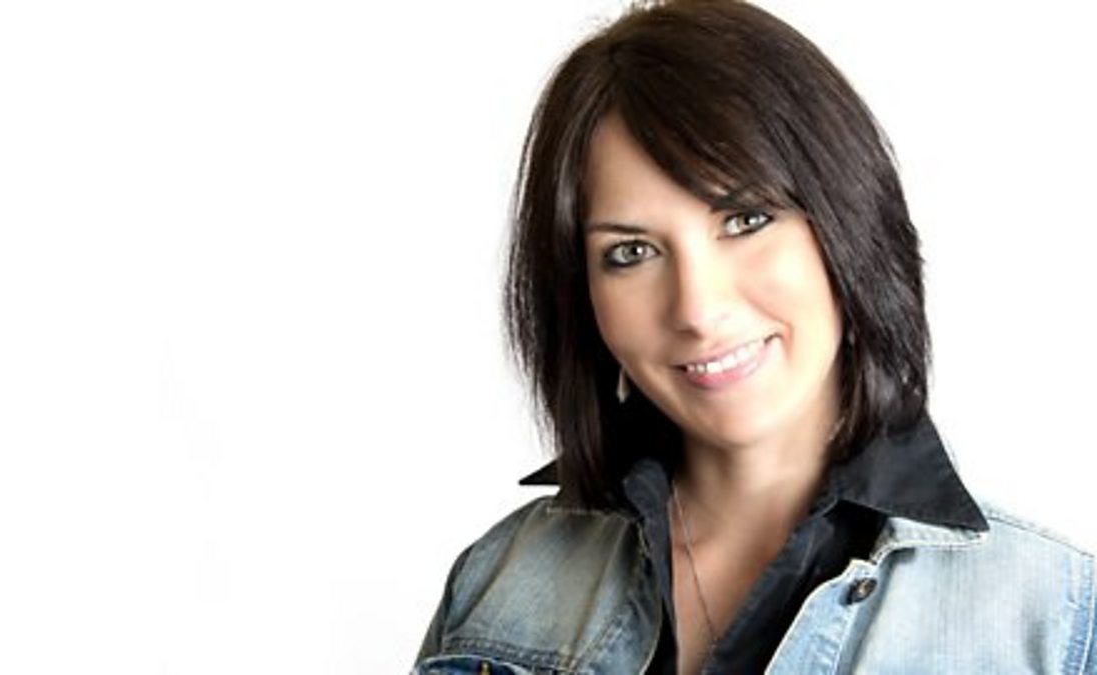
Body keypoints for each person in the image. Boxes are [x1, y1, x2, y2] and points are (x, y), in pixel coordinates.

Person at [413, 1, 1097, 673]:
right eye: (631, 252)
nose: (698, 308)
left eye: (745, 220)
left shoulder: (1052, 619)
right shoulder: (502, 582)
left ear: (846, 224)